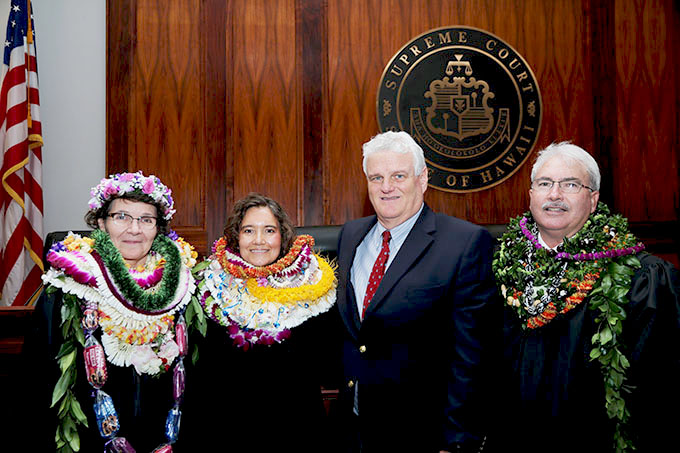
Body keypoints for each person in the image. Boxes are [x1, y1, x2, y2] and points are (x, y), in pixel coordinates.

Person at [493, 142, 680, 452]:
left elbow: (660, 388)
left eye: (570, 185)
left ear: (593, 200)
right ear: (531, 195)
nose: (555, 195)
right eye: (545, 184)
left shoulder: (641, 278)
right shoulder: (498, 266)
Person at [335, 131, 498, 452]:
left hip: (424, 435)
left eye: (398, 176)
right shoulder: (351, 236)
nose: (386, 187)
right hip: (353, 431)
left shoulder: (465, 243)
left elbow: (473, 356)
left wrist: (457, 441)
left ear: (422, 179)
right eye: (376, 177)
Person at [29, 172, 199, 452]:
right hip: (89, 439)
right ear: (101, 222)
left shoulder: (181, 285)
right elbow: (40, 377)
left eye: (146, 219)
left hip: (161, 436)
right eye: (122, 217)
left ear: (158, 228)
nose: (134, 229)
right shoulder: (69, 287)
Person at [186, 193, 337, 452]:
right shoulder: (208, 288)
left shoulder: (312, 288)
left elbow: (328, 365)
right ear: (236, 237)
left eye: (269, 230)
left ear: (283, 236)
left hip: (295, 432)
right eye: (248, 230)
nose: (259, 241)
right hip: (223, 432)